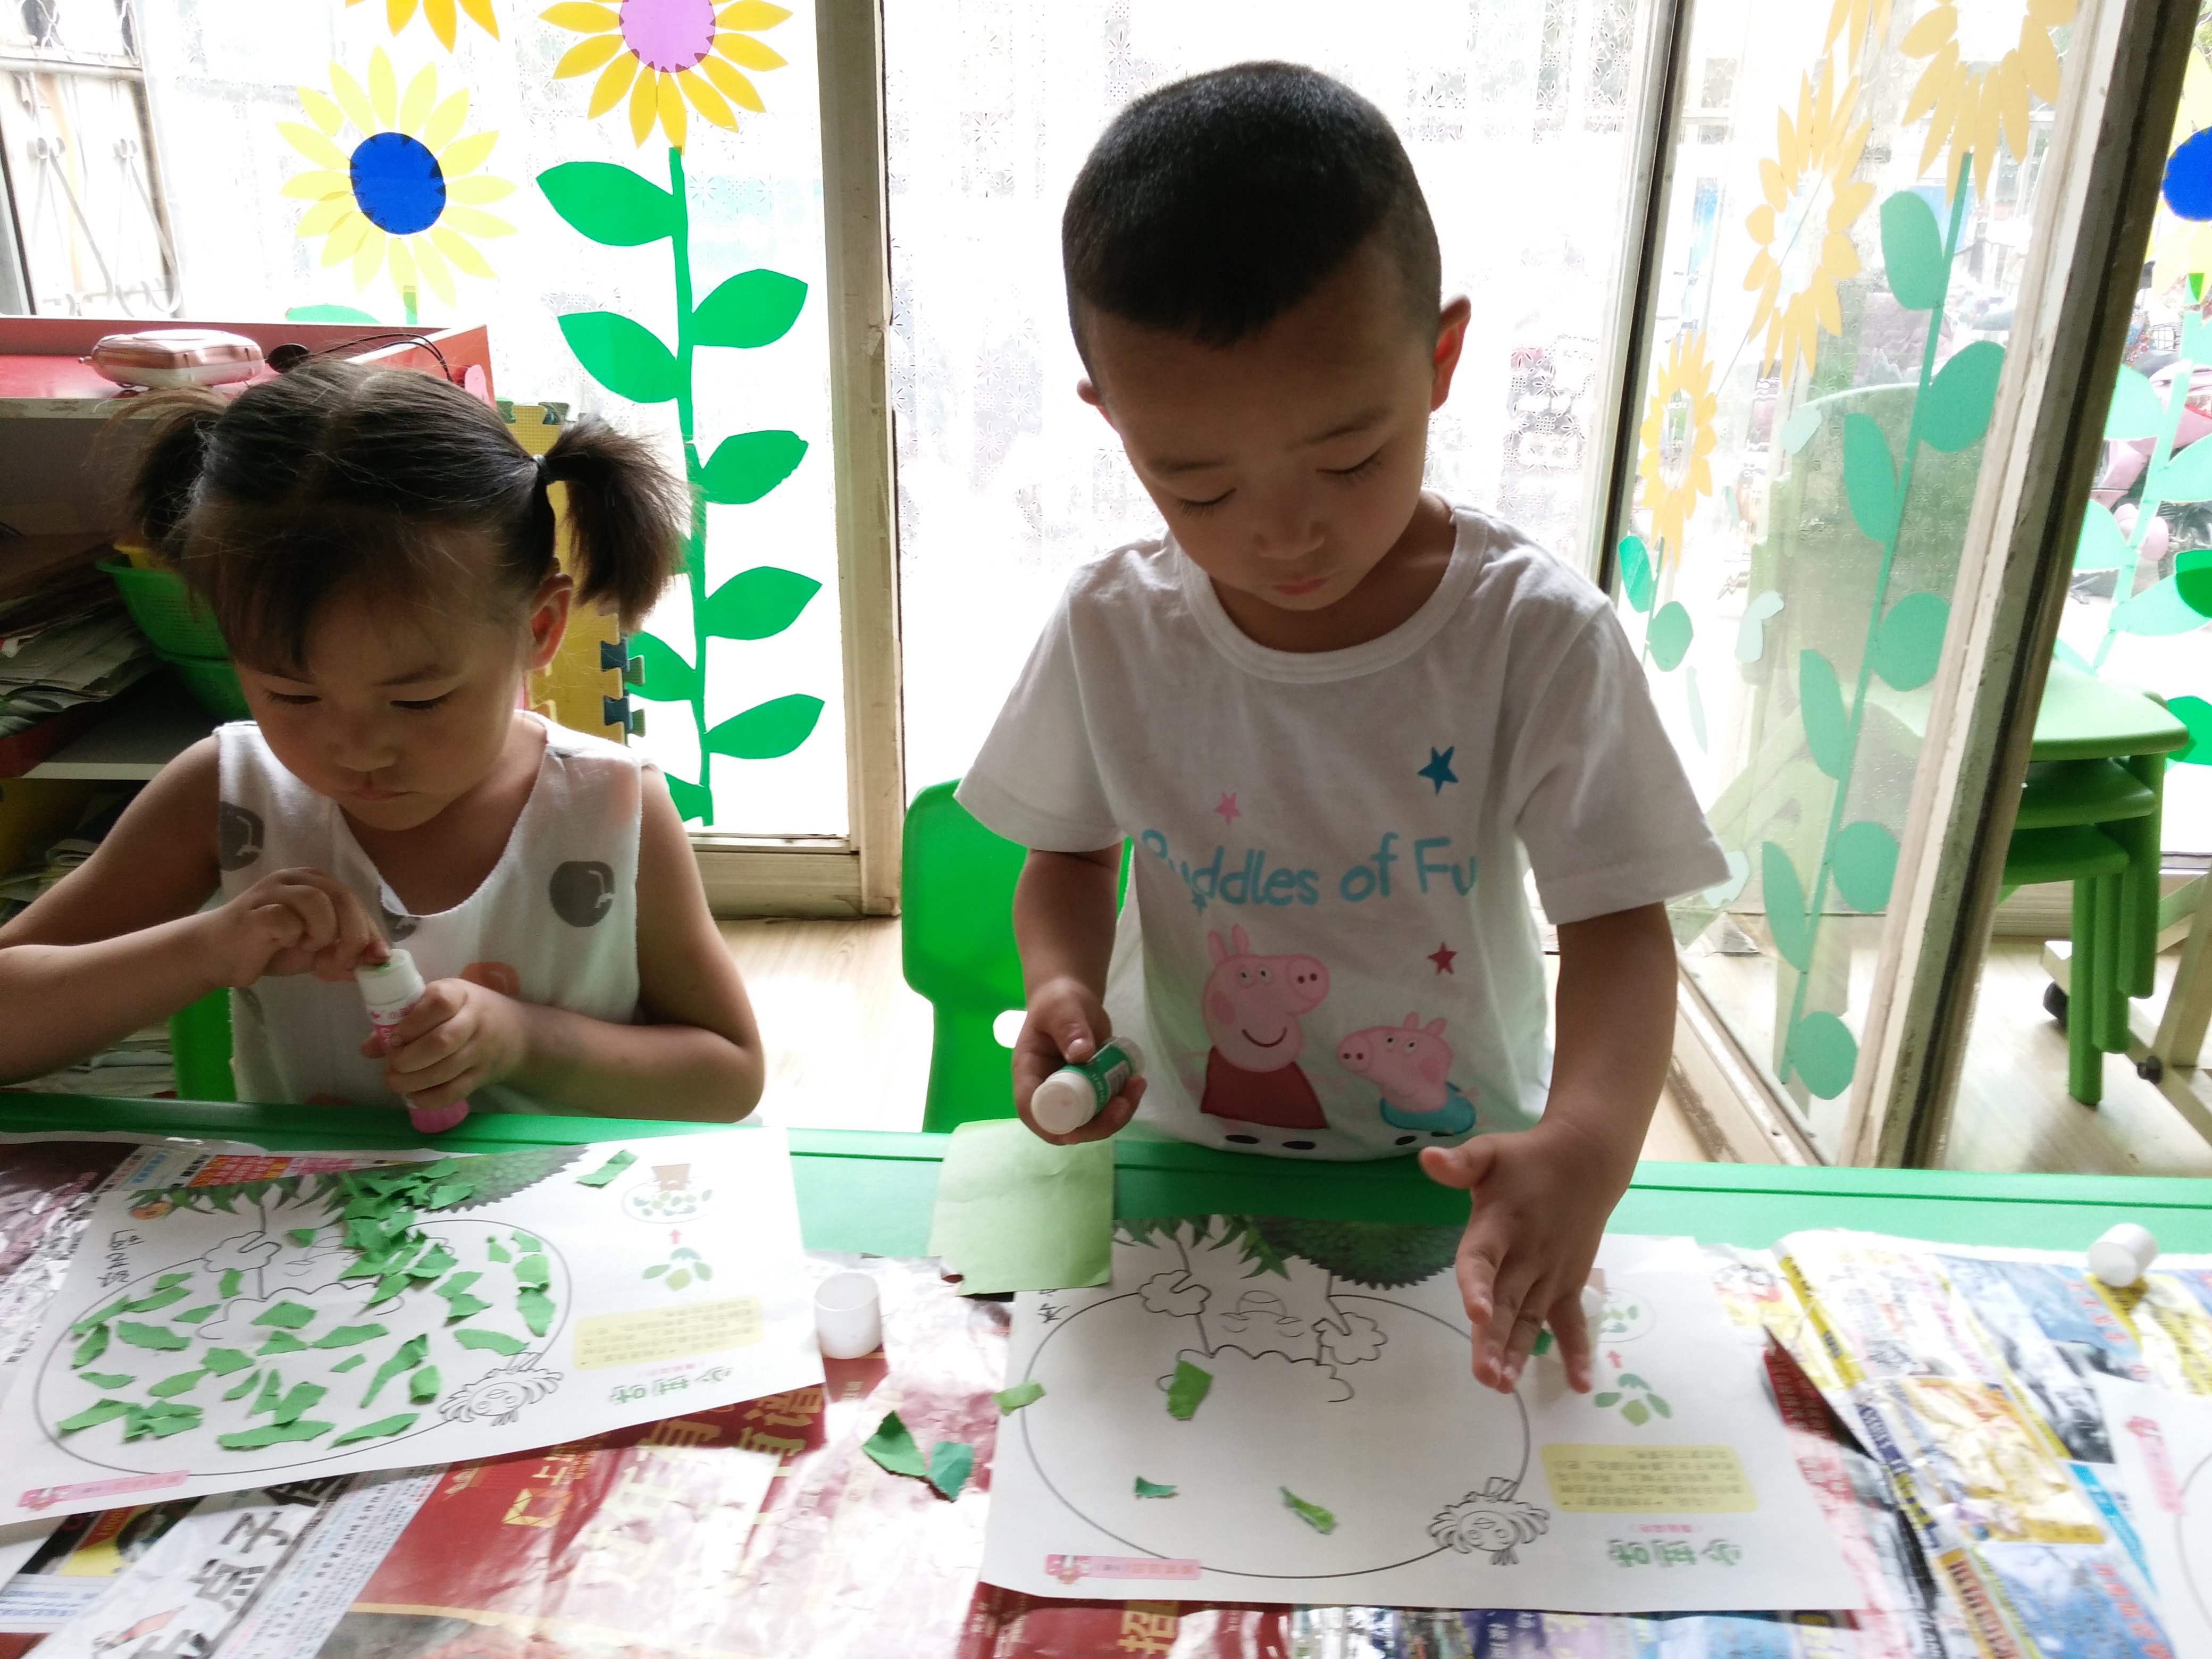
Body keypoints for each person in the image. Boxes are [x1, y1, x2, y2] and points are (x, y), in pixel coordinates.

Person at [958, 63, 1727, 1396]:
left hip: (1462, 1176)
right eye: (1197, 486)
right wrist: (1059, 984)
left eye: (1350, 459)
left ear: (1439, 362)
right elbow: (1069, 859)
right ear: (1114, 422)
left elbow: (1618, 925)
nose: (1285, 534)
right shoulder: (1110, 626)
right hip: (1178, 1153)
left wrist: (1588, 1146)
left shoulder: (1534, 637)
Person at [0, 361, 763, 1122]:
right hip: (313, 1202)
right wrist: (204, 950)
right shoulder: (225, 794)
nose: (358, 751)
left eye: (418, 700)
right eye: (292, 695)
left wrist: (525, 1041)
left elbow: (728, 1076)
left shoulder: (611, 804)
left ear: (539, 628)